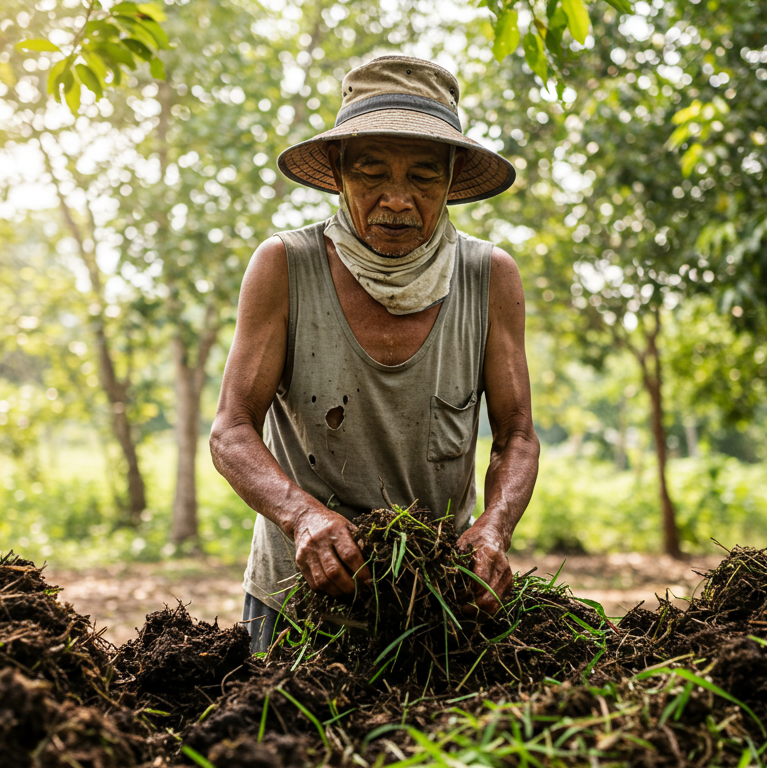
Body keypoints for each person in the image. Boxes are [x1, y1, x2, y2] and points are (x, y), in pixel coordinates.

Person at [209, 55, 539, 653]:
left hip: (437, 603)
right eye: (371, 173)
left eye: (422, 177)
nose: (397, 201)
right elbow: (230, 431)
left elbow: (517, 434)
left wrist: (494, 529)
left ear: (450, 181)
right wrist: (301, 516)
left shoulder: (489, 277)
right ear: (337, 174)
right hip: (296, 601)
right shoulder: (284, 268)